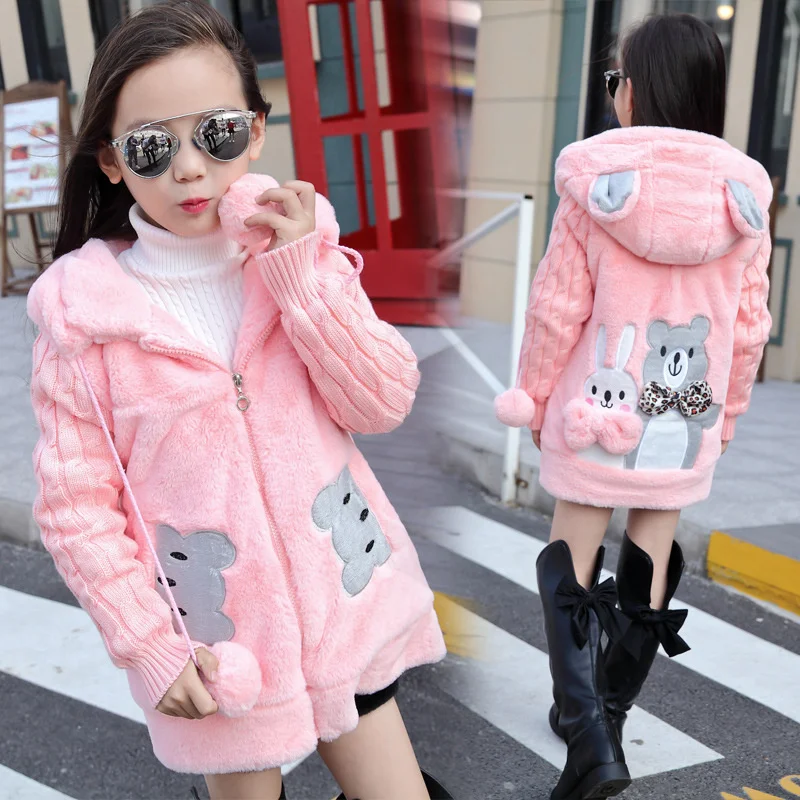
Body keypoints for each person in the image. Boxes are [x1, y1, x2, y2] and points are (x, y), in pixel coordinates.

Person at [27, 2, 448, 799]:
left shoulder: (297, 251)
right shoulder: (83, 320)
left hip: (345, 607)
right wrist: (148, 646)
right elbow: (76, 509)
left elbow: (382, 402)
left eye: (215, 134)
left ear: (255, 133)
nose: (189, 168)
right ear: (112, 162)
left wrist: (300, 279)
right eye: (152, 146)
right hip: (220, 645)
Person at [495, 14, 772, 800]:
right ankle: (607, 717)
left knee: (572, 558)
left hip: (597, 408)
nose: (614, 92)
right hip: (684, 417)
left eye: (617, 79)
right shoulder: (745, 197)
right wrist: (729, 411)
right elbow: (749, 326)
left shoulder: (596, 182)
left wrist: (533, 394)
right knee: (651, 554)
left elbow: (556, 308)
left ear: (638, 90)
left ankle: (588, 734)